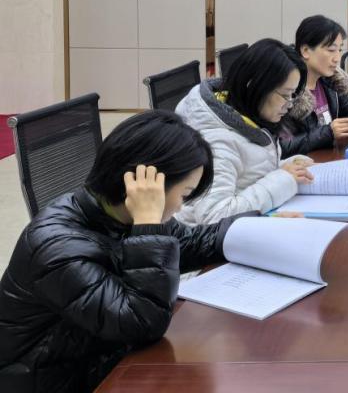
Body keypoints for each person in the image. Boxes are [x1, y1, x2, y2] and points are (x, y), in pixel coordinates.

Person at [0, 111, 240, 393]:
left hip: (96, 360)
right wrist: (148, 225)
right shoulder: (57, 248)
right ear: (146, 186)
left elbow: (193, 243)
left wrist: (259, 228)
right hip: (54, 382)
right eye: (184, 195)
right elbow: (142, 323)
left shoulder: (117, 214)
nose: (181, 207)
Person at [176, 38, 314, 225]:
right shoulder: (217, 140)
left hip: (246, 229)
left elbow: (245, 174)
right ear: (254, 85)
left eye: (293, 95)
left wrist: (285, 168)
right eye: (285, 94)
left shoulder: (248, 117)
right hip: (210, 239)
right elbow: (214, 217)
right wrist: (282, 179)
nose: (289, 104)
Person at [280, 15, 348, 158]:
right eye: (331, 50)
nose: (337, 58)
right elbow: (282, 147)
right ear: (305, 50)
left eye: (339, 50)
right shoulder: (287, 93)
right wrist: (328, 133)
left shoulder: (331, 80)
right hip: (306, 165)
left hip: (330, 156)